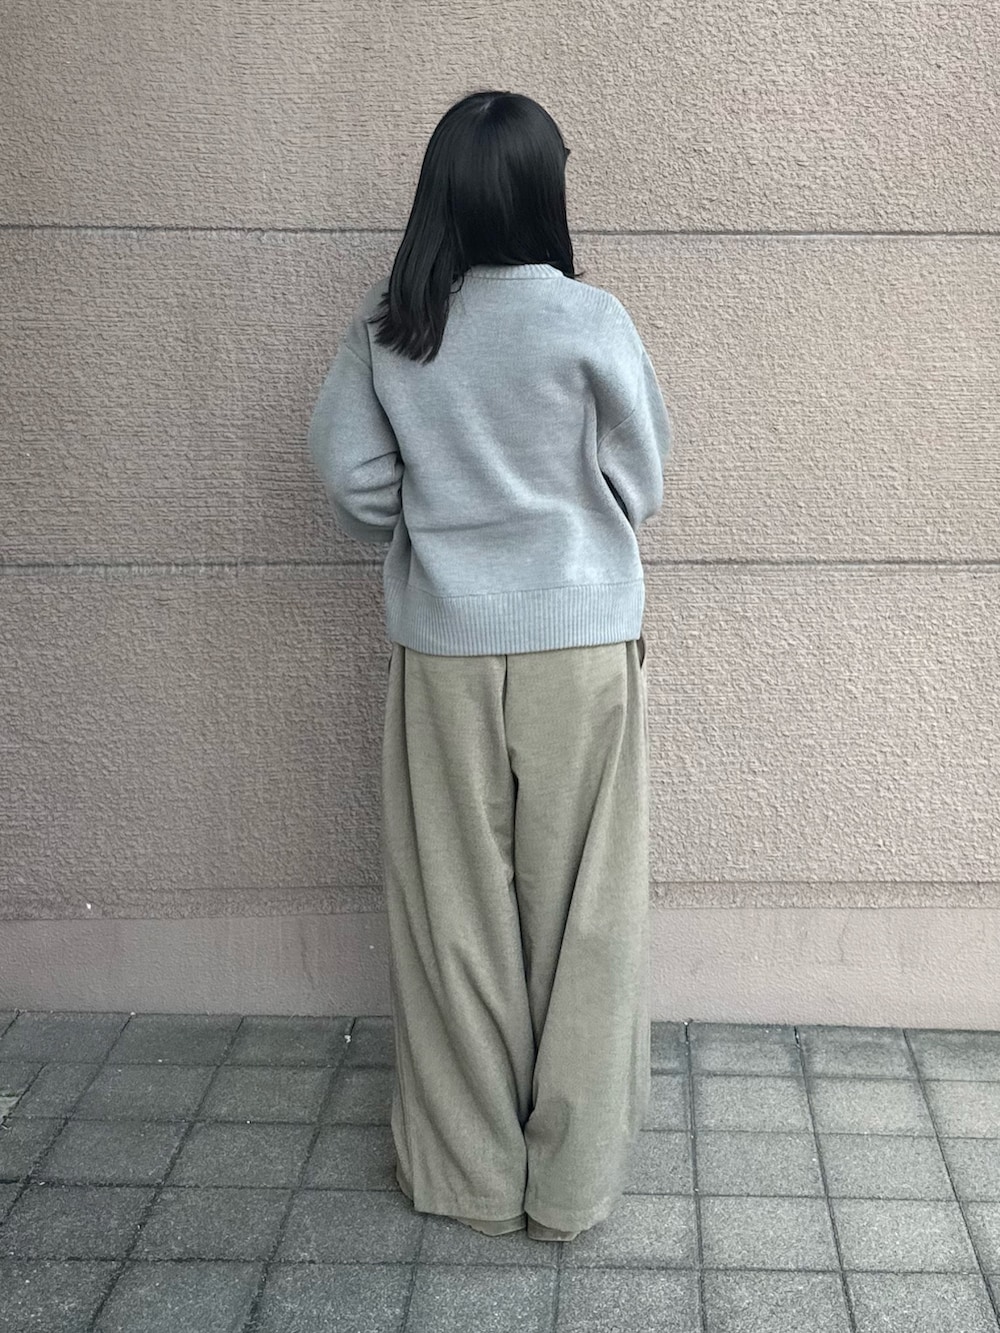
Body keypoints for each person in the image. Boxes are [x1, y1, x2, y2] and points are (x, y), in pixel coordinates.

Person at [306, 88, 672, 1243]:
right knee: (590, 916)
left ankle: (468, 1173)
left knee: (452, 916)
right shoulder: (589, 318)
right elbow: (642, 481)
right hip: (583, 646)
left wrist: (440, 526)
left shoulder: (394, 327)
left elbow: (351, 480)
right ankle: (570, 1185)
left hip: (445, 651)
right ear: (542, 193)